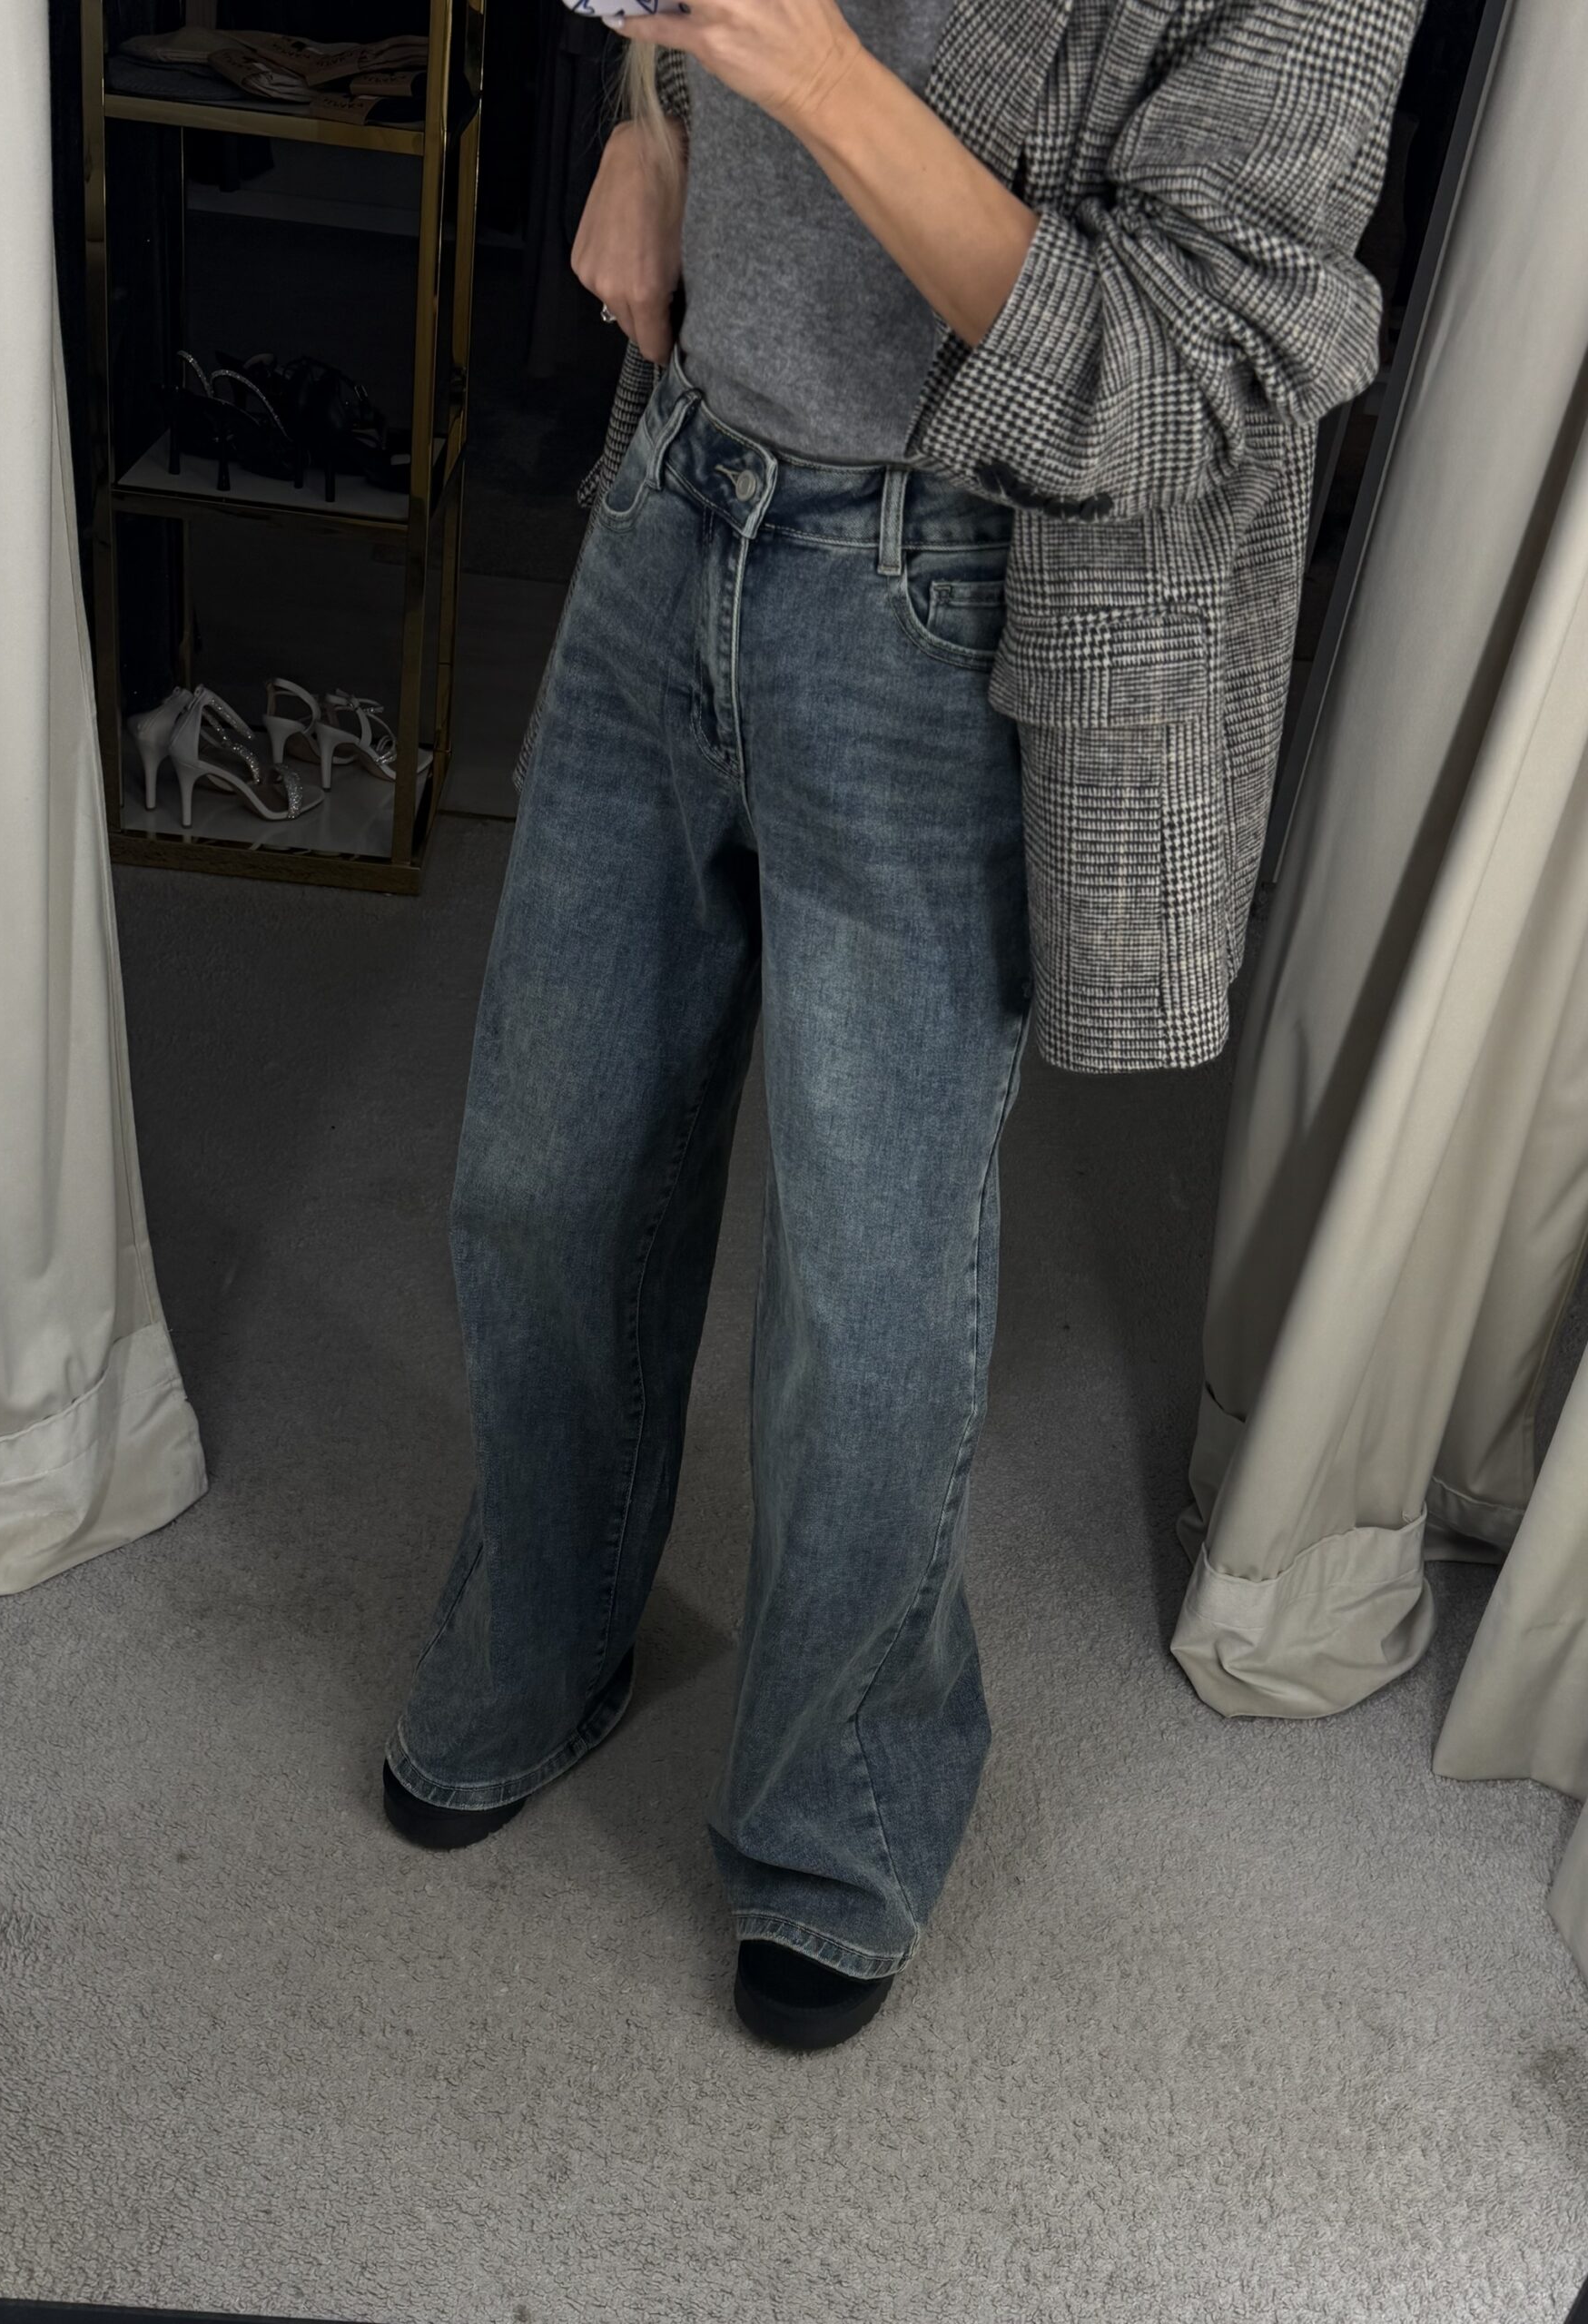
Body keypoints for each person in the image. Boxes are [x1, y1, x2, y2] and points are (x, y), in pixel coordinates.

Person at [381, 0, 1425, 2052]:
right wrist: (657, 121)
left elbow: (1178, 377)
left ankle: (836, 1813)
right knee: (546, 1165)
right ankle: (544, 1634)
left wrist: (813, 71)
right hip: (682, 482)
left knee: (871, 1288)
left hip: (944, 588)